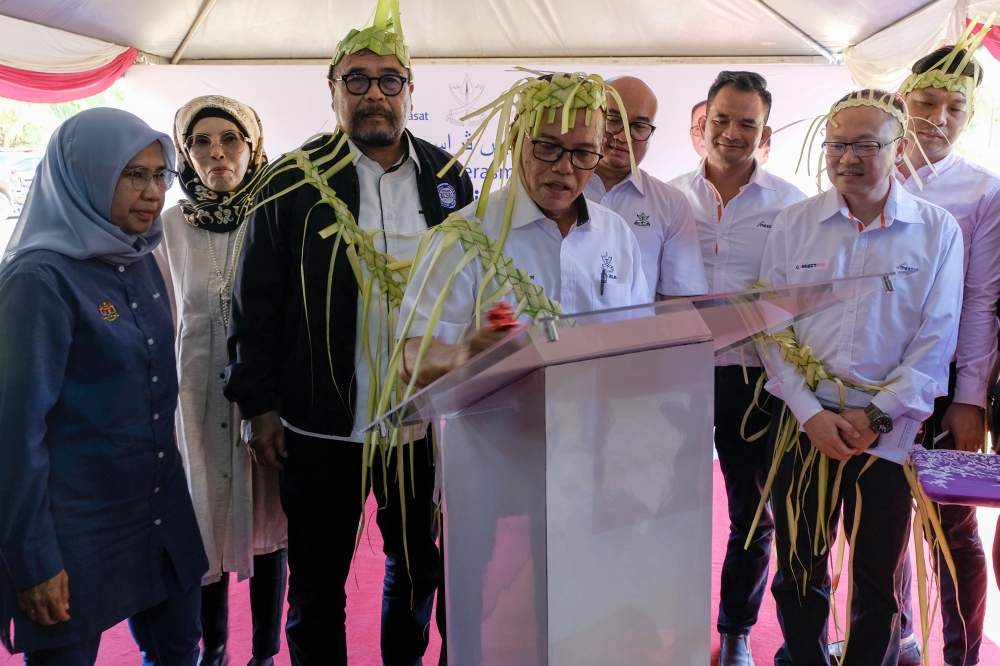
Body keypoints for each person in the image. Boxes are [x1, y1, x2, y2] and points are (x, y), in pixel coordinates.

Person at [223, 0, 474, 663]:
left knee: (417, 568)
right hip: (317, 424)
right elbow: (256, 302)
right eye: (356, 79)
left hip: (416, 423)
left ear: (409, 91)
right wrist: (261, 404)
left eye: (389, 79)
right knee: (317, 584)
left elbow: (470, 288)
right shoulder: (290, 183)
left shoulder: (448, 180)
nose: (373, 94)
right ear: (332, 90)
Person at [760, 89, 963, 666]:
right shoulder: (796, 223)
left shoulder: (936, 230)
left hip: (889, 433)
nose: (847, 157)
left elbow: (935, 339)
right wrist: (811, 413)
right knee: (799, 567)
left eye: (865, 145)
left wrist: (874, 416)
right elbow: (772, 330)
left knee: (878, 574)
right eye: (837, 144)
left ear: (898, 149)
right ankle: (804, 658)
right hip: (804, 425)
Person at [0, 108, 208, 664]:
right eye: (132, 174)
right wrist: (33, 558)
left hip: (159, 508)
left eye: (160, 175)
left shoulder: (137, 256)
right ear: (86, 175)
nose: (152, 192)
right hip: (77, 525)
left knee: (181, 648)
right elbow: (14, 437)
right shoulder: (39, 281)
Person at [668, 71, 806, 666]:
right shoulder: (670, 199)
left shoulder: (794, 206)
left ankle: (735, 631)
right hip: (676, 377)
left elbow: (798, 299)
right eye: (721, 120)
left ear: (764, 130)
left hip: (757, 381)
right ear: (702, 124)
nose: (731, 132)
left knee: (754, 516)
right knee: (667, 507)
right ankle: (664, 619)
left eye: (746, 123)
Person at [397, 70, 648, 388]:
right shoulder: (464, 235)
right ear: (516, 141)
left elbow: (640, 340)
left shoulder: (617, 235)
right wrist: (463, 358)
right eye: (547, 146)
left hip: (596, 433)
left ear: (599, 152)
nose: (564, 167)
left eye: (583, 153)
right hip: (501, 435)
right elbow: (411, 356)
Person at [155, 96, 288, 666]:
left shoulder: (280, 211)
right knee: (204, 516)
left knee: (269, 523)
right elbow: (163, 318)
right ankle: (214, 652)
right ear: (186, 152)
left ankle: (263, 652)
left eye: (229, 139)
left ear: (252, 145)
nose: (216, 152)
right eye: (201, 141)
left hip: (267, 397)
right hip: (196, 397)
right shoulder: (169, 226)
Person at [892, 34, 1000, 666]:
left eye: (952, 108)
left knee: (951, 525)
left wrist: (969, 398)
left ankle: (959, 654)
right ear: (904, 99)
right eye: (927, 101)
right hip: (871, 378)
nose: (937, 118)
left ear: (969, 116)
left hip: (946, 378)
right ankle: (898, 635)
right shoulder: (870, 171)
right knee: (877, 518)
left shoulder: (982, 190)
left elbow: (982, 299)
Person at [586, 76, 708, 300]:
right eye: (613, 120)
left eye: (639, 126)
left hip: (640, 335)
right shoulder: (559, 192)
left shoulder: (671, 205)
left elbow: (678, 305)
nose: (623, 137)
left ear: (651, 133)